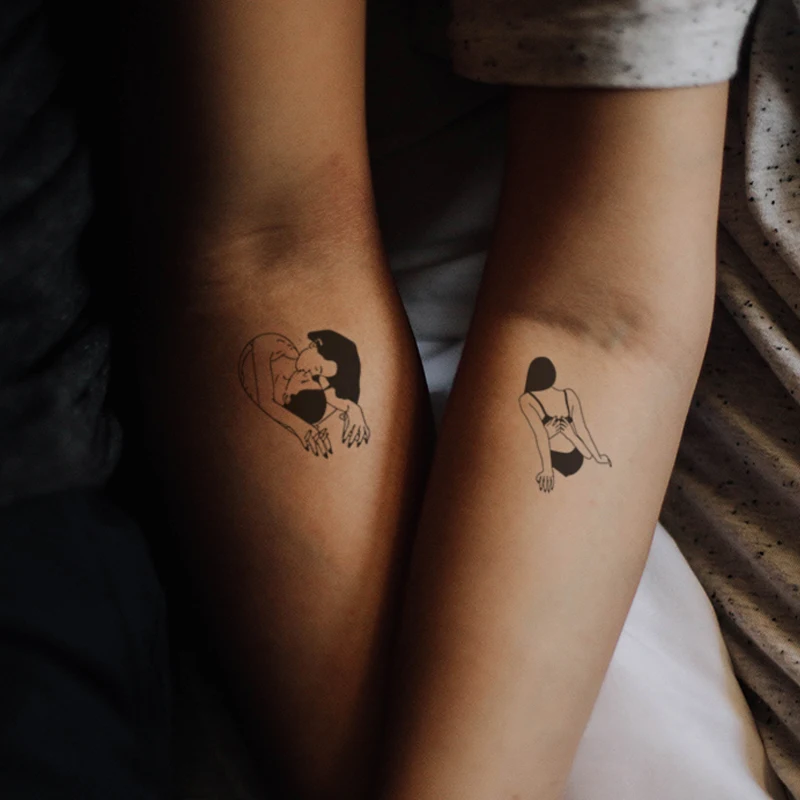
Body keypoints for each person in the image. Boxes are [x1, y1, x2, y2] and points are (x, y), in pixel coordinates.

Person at [238, 330, 370, 456]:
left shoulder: (293, 390)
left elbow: (326, 397)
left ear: (287, 397)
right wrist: (301, 427)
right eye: (318, 368)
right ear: (314, 344)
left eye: (317, 374)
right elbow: (266, 401)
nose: (310, 374)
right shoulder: (282, 347)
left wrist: (353, 409)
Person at [519, 356, 611, 492]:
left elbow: (542, 436)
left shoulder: (527, 399)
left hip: (563, 458)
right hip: (572, 458)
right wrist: (597, 457)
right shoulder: (567, 395)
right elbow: (582, 432)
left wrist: (547, 469)